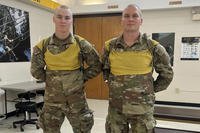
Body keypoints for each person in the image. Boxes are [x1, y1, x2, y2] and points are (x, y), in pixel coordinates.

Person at [102, 4, 173, 133]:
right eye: (126, 16)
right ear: (121, 20)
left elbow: (167, 74)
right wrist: (112, 85)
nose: (130, 19)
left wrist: (150, 90)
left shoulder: (154, 47)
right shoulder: (110, 46)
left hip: (142, 111)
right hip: (116, 109)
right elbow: (105, 69)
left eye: (135, 16)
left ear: (141, 21)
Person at [30, 5, 101, 133]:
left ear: (71, 20)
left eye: (67, 18)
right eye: (60, 17)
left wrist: (80, 78)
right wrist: (54, 80)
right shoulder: (43, 46)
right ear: (54, 19)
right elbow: (35, 70)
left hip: (77, 102)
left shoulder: (81, 44)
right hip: (52, 103)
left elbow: (97, 65)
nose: (63, 21)